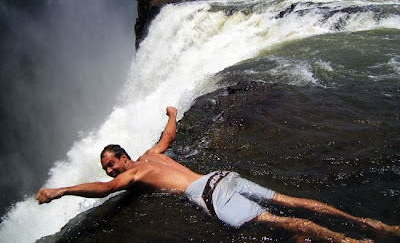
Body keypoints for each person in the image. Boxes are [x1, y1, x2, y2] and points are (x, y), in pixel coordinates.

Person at [36, 107, 399, 243]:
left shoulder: (132, 175)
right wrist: (173, 114)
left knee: (279, 221)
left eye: (111, 163)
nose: (110, 170)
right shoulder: (151, 154)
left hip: (208, 193)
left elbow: (103, 191)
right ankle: (371, 224)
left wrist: (61, 191)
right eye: (107, 168)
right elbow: (167, 137)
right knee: (292, 202)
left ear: (123, 158)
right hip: (222, 175)